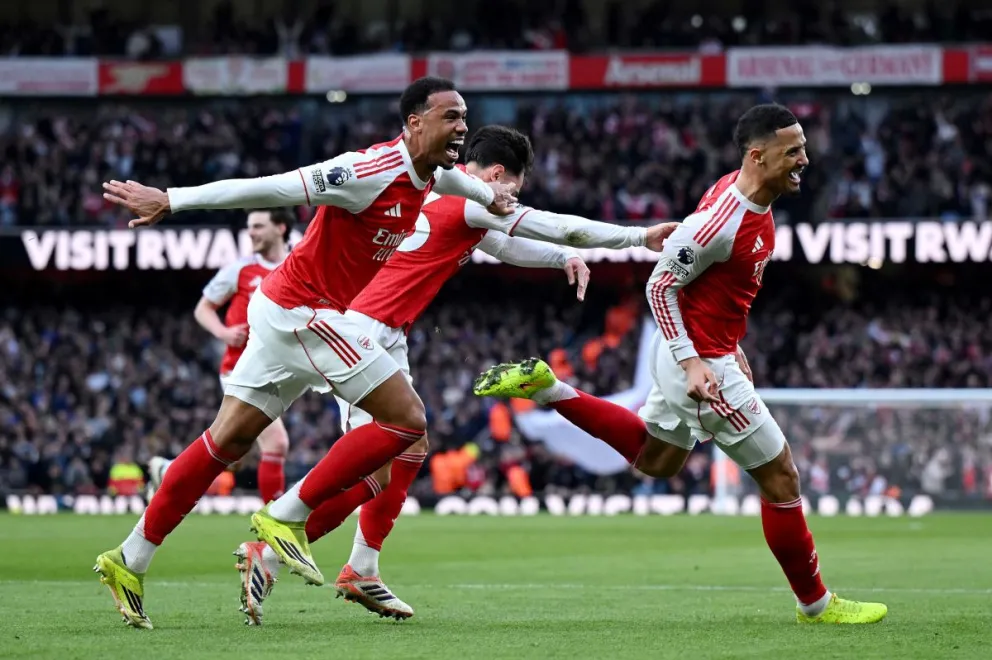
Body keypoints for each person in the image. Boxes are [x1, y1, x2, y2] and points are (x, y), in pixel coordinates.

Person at [93, 76, 517, 630]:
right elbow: (269, 187)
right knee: (408, 420)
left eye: (465, 116)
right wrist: (174, 200)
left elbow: (461, 182)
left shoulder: (435, 172)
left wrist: (494, 195)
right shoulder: (366, 171)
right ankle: (287, 516)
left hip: (283, 311)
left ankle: (129, 559)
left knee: (226, 441)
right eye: (450, 116)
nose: (463, 126)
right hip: (305, 313)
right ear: (414, 122)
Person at [232, 125, 678, 625]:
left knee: (408, 450)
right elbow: (555, 226)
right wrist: (637, 236)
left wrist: (562, 258)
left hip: (384, 331)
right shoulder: (470, 199)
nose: (510, 200)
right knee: (379, 466)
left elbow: (506, 245)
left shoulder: (441, 195)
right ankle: (270, 547)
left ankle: (361, 567)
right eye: (513, 189)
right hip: (361, 330)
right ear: (496, 174)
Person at [473, 104, 888, 625]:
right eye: (793, 152)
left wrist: (730, 345)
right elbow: (660, 285)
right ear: (757, 156)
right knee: (782, 478)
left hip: (703, 351)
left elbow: (711, 292)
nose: (805, 159)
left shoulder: (752, 199)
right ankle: (816, 604)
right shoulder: (723, 221)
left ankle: (549, 388)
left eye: (803, 148)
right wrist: (697, 363)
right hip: (699, 362)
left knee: (657, 460)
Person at [148, 208, 295, 503]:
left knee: (229, 449)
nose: (251, 232)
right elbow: (203, 308)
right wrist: (223, 333)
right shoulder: (240, 269)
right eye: (249, 226)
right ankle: (274, 530)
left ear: (281, 228)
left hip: (282, 370)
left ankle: (168, 471)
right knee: (276, 443)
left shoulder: (298, 262)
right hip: (241, 371)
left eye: (258, 226)